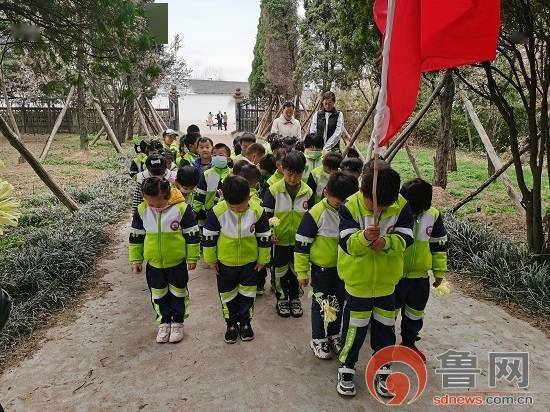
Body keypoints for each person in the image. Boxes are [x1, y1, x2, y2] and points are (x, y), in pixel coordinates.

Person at [336, 160, 414, 397]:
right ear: (363, 191)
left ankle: (383, 368)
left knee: (385, 328)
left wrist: (387, 242)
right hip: (357, 283)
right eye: (374, 205)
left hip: (387, 284)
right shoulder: (350, 206)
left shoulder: (401, 206)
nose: (378, 211)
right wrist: (363, 238)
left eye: (384, 206)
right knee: (354, 328)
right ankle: (347, 367)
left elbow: (408, 237)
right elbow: (346, 242)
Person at [295, 172, 359, 359]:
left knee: (337, 303)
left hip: (344, 270)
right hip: (322, 270)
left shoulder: (353, 212)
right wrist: (301, 271)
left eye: (346, 202)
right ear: (325, 192)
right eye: (338, 203)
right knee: (321, 304)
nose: (342, 206)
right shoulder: (316, 213)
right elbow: (301, 244)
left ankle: (333, 334)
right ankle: (318, 338)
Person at [129, 177, 200, 344]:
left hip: (177, 263)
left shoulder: (182, 209)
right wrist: (136, 259)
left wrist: (192, 256)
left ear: (168, 196)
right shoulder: (142, 210)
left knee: (178, 293)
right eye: (150, 204)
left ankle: (177, 323)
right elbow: (136, 236)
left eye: (158, 204)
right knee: (158, 295)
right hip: (154, 265)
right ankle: (164, 323)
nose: (154, 208)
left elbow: (192, 235)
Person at [203, 175, 271, 343]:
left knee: (248, 295)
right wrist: (211, 260)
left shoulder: (257, 211)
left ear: (249, 197)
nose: (237, 210)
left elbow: (264, 236)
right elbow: (208, 238)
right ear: (224, 199)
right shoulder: (217, 212)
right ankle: (231, 324)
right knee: (228, 296)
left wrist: (263, 259)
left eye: (241, 207)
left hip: (250, 264)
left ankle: (246, 323)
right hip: (225, 265)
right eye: (232, 207)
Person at [396, 178, 448, 362]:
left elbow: (438, 245)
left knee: (415, 313)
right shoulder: (395, 213)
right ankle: (383, 345)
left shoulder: (433, 215)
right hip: (394, 275)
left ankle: (408, 344)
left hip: (419, 278)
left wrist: (439, 272)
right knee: (387, 313)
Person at [262, 151, 313, 318]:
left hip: (299, 243)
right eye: (289, 174)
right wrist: (270, 233)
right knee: (280, 271)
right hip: (279, 241)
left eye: (297, 174)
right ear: (282, 169)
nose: (293, 178)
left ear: (303, 171)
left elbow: (312, 217)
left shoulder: (308, 192)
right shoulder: (273, 190)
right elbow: (265, 216)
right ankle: (282, 298)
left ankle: (295, 298)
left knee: (298, 270)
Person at [192, 143, 232, 227]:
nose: (217, 157)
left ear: (228, 159)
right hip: (208, 212)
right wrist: (196, 211)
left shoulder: (232, 175)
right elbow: (200, 195)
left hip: (227, 212)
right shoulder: (206, 174)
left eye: (220, 155)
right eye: (214, 155)